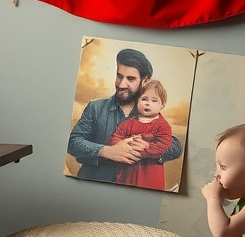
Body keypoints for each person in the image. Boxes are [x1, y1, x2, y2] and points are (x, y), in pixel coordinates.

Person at [67, 48, 182, 184]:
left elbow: (175, 146)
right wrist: (107, 151)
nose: (121, 84)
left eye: (130, 79)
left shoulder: (149, 111)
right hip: (92, 185)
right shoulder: (96, 108)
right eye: (119, 76)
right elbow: (73, 142)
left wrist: (147, 148)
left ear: (145, 81)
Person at [111, 79, 173, 190]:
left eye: (154, 101)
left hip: (150, 172)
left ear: (162, 105)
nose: (148, 103)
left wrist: (146, 149)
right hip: (128, 169)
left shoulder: (162, 126)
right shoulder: (128, 124)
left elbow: (164, 143)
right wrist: (121, 147)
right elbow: (116, 138)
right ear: (137, 101)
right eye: (144, 99)